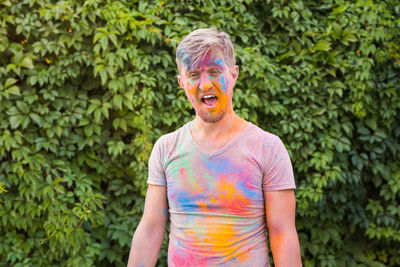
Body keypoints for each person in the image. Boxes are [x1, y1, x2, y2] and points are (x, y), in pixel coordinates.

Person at [127, 28, 302, 267]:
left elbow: (283, 234)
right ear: (182, 82)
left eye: (214, 71)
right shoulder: (166, 148)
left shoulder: (267, 148)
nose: (205, 83)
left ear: (234, 74)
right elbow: (150, 230)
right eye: (194, 74)